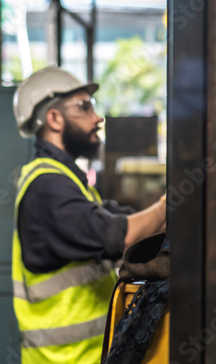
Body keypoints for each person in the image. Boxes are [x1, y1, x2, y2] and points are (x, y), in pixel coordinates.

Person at [12, 67, 167, 364]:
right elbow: (123, 237)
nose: (97, 118)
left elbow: (123, 222)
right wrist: (169, 203)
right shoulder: (48, 186)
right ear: (54, 118)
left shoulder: (68, 181)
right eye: (84, 107)